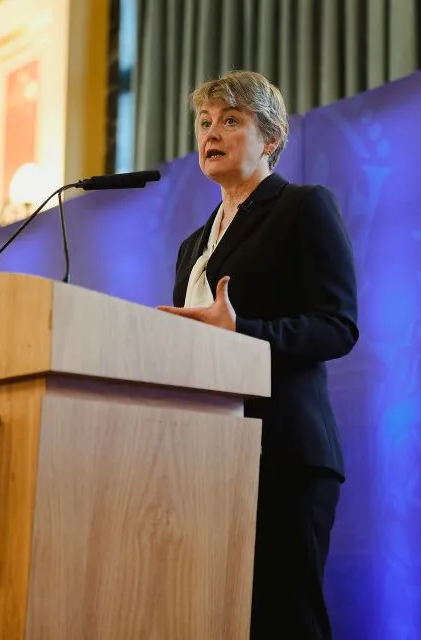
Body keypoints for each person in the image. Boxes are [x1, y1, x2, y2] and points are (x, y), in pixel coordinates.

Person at [156, 70, 359, 639]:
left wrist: (244, 329)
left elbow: (337, 326)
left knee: (285, 620)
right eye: (204, 122)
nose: (210, 133)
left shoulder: (302, 207)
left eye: (230, 120)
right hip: (206, 454)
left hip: (285, 453)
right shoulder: (192, 247)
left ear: (269, 138)